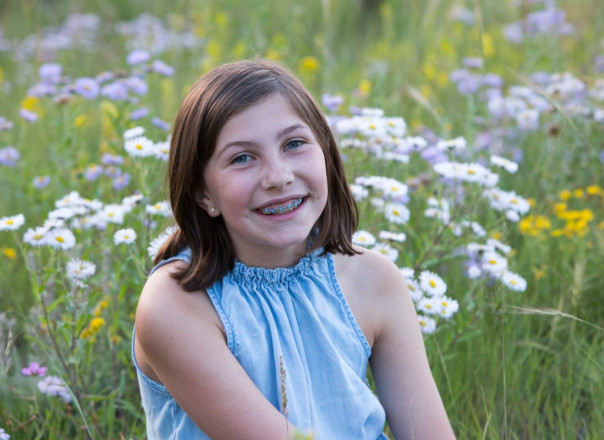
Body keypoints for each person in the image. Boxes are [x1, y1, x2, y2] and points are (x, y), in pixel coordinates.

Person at [132, 59, 455, 440]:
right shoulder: (178, 303)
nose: (279, 176)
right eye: (242, 158)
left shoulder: (373, 280)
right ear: (204, 194)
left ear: (326, 154)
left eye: (295, 144)